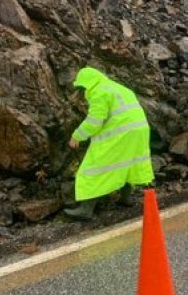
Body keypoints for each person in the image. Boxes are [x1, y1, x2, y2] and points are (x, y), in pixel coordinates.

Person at [64, 66, 154, 219]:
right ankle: (126, 198)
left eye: (82, 87)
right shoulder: (117, 87)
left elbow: (95, 121)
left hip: (121, 132)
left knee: (94, 167)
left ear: (88, 83)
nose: (81, 91)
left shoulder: (98, 92)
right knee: (127, 163)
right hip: (140, 130)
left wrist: (77, 136)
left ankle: (86, 209)